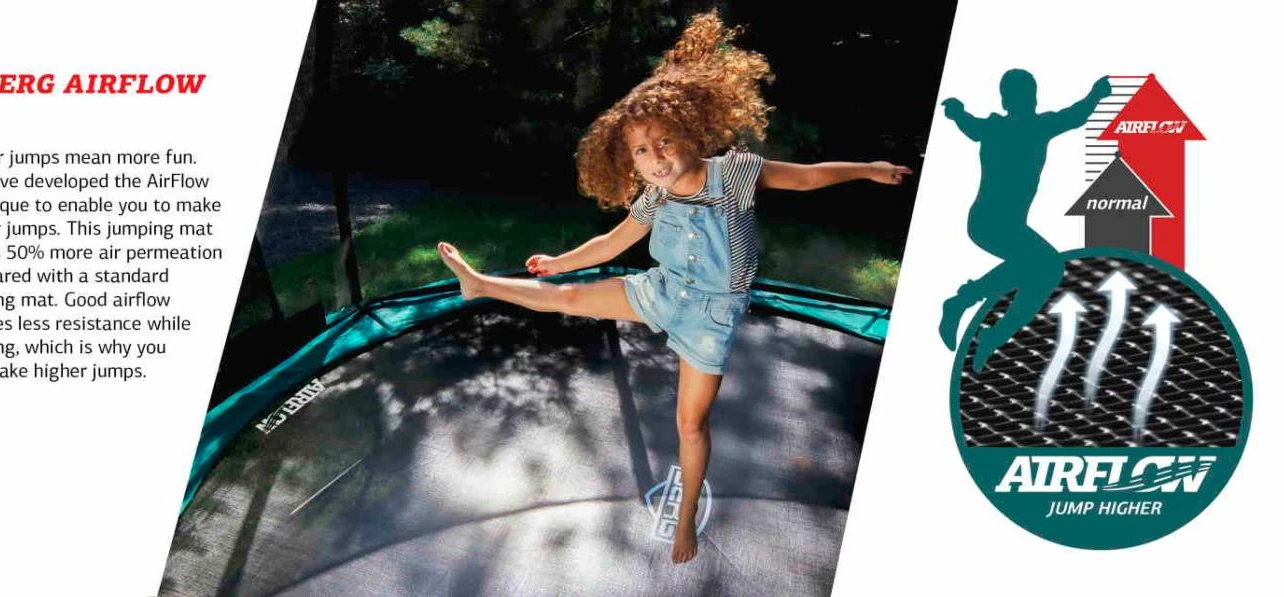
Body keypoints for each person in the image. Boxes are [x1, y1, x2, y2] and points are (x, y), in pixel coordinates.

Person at [437, 10, 910, 564]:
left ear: (690, 133)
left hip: (712, 314)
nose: (655, 158)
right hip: (663, 288)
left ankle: (685, 520)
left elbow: (806, 177)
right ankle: (479, 285)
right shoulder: (656, 195)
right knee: (569, 297)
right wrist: (561, 262)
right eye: (641, 151)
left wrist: (866, 168)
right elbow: (612, 243)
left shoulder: (733, 174)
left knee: (691, 423)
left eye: (664, 142)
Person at [938, 70, 1111, 371]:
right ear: (1007, 101)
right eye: (1023, 96)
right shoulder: (1011, 127)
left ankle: (985, 328)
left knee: (1040, 270)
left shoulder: (1024, 126)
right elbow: (1075, 115)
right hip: (988, 223)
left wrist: (956, 111)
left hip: (1005, 226)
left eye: (1031, 96)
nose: (1029, 102)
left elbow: (1075, 116)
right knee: (1048, 265)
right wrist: (1096, 95)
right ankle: (966, 307)